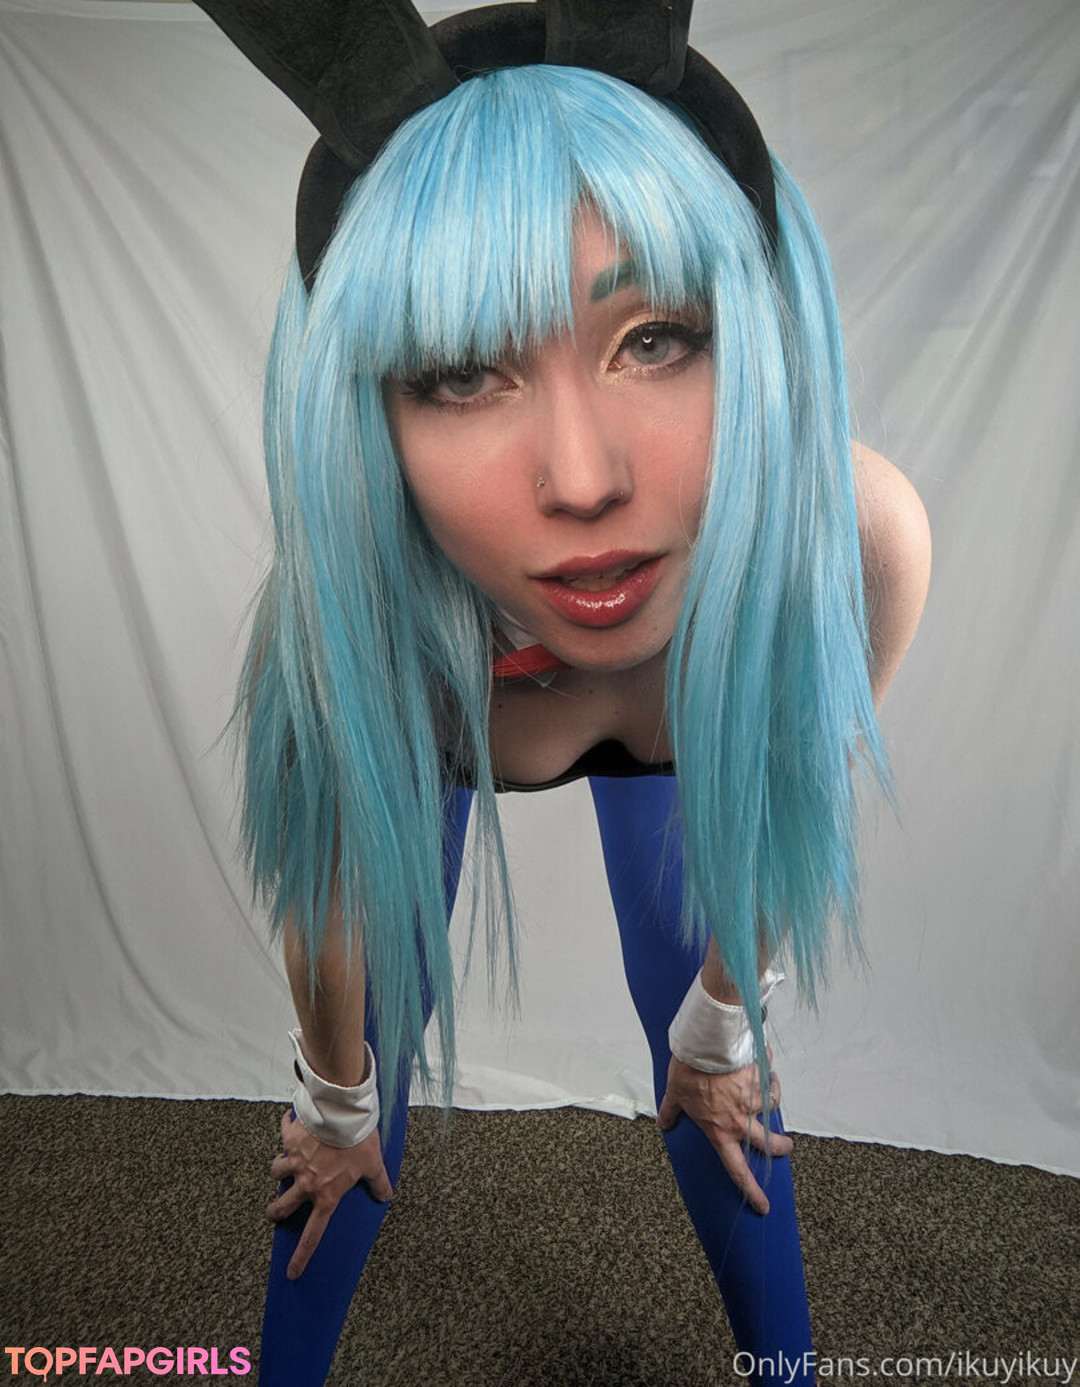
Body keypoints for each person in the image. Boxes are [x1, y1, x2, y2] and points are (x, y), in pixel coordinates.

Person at [197, 2, 931, 1382]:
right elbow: (332, 892)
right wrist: (337, 1098)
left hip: (678, 715)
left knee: (722, 1084)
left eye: (655, 337)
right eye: (461, 370)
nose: (584, 480)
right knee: (353, 1117)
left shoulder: (848, 543)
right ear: (361, 406)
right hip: (449, 699)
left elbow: (785, 799)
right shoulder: (368, 624)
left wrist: (724, 1025)